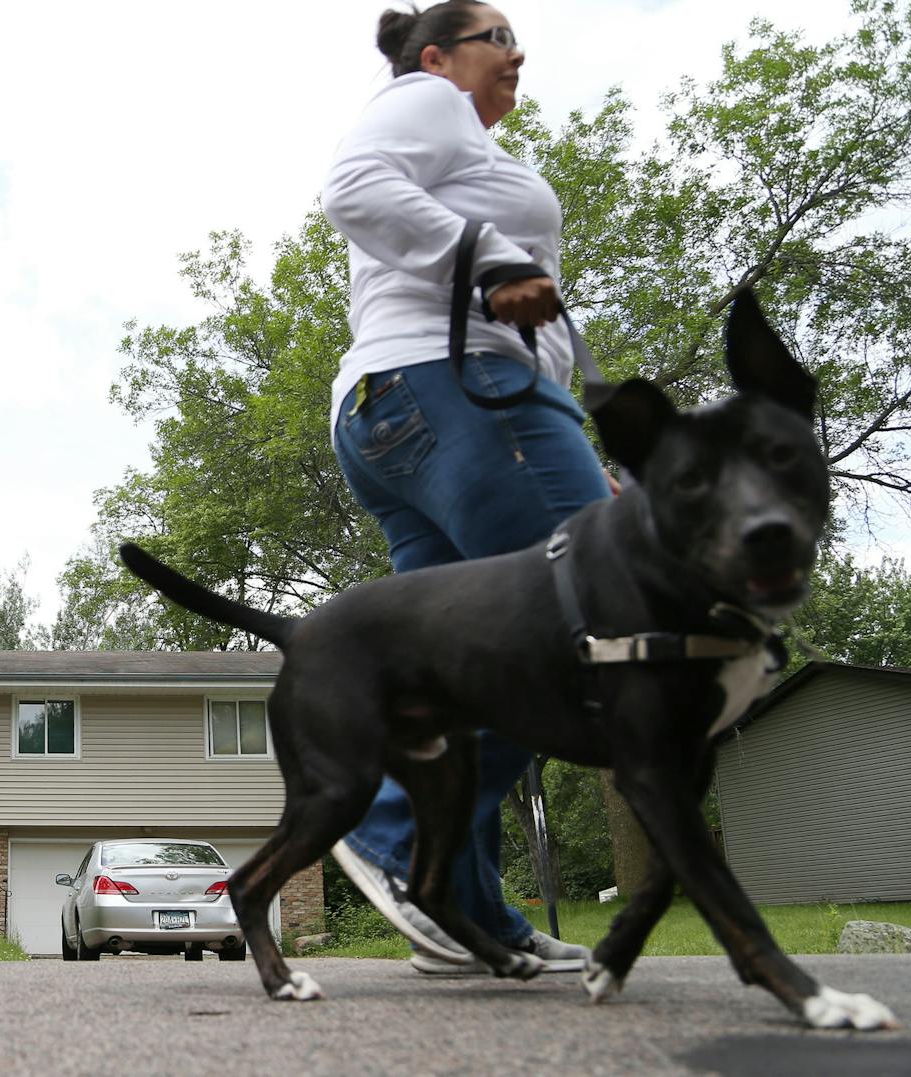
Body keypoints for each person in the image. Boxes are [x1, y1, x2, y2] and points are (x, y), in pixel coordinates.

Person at [321, 1, 614, 974]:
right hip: (459, 395)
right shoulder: (426, 100)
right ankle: (395, 836)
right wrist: (492, 261)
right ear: (438, 55)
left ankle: (464, 912)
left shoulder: (460, 149)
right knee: (592, 624)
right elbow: (354, 186)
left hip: (405, 412)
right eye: (497, 37)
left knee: (462, 673)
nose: (516, 53)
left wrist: (566, 420)